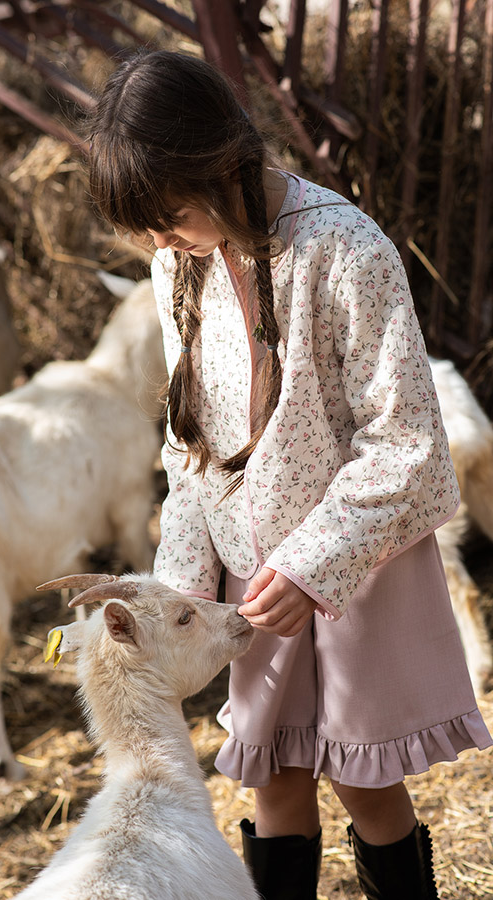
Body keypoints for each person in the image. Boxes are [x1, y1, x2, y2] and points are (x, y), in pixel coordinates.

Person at [86, 49, 492, 900]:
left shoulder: (345, 248)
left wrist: (313, 567)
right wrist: (180, 597)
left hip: (354, 565)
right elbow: (191, 441)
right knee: (271, 781)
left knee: (364, 782)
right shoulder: (180, 265)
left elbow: (407, 438)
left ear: (219, 164)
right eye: (149, 230)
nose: (159, 244)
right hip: (249, 579)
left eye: (169, 218)